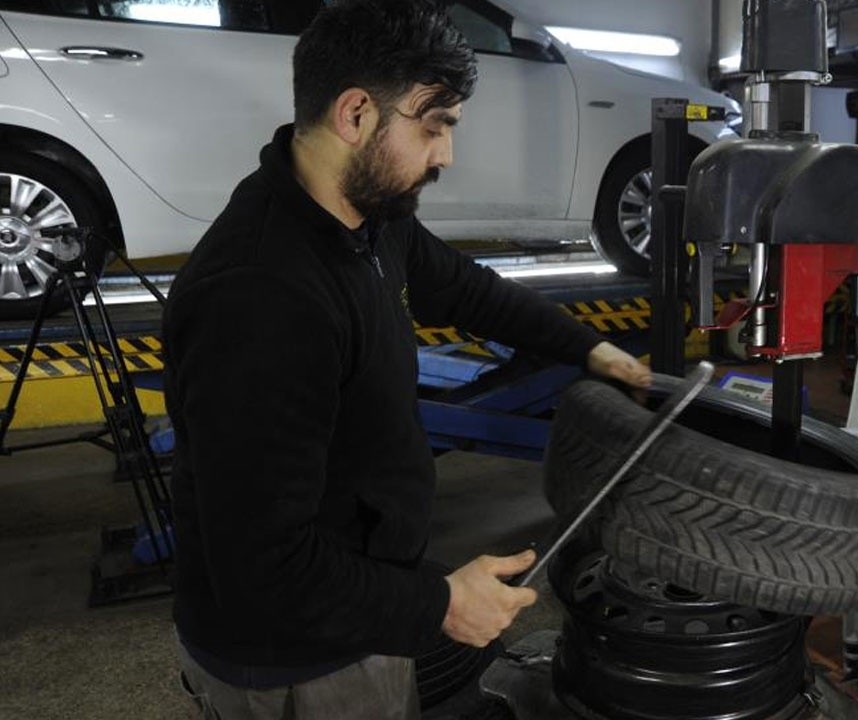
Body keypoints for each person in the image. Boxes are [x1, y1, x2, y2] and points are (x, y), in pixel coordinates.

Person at [161, 1, 651, 717]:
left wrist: (593, 349)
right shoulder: (261, 297)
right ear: (356, 114)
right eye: (434, 125)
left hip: (356, 606)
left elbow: (464, 288)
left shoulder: (364, 217)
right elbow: (263, 570)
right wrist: (441, 604)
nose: (446, 154)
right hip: (296, 662)